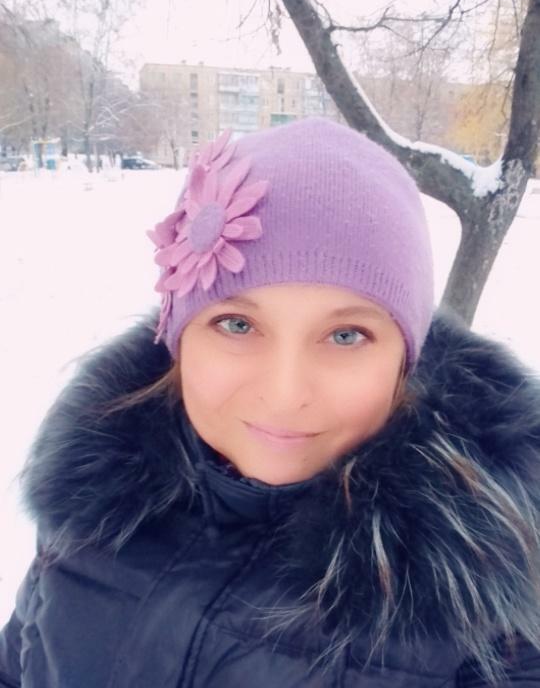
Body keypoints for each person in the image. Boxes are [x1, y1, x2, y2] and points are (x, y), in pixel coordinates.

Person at [1, 118, 539, 687]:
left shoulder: (485, 601)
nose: (283, 395)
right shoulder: (92, 505)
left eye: (346, 335)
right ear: (179, 339)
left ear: (405, 360)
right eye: (237, 324)